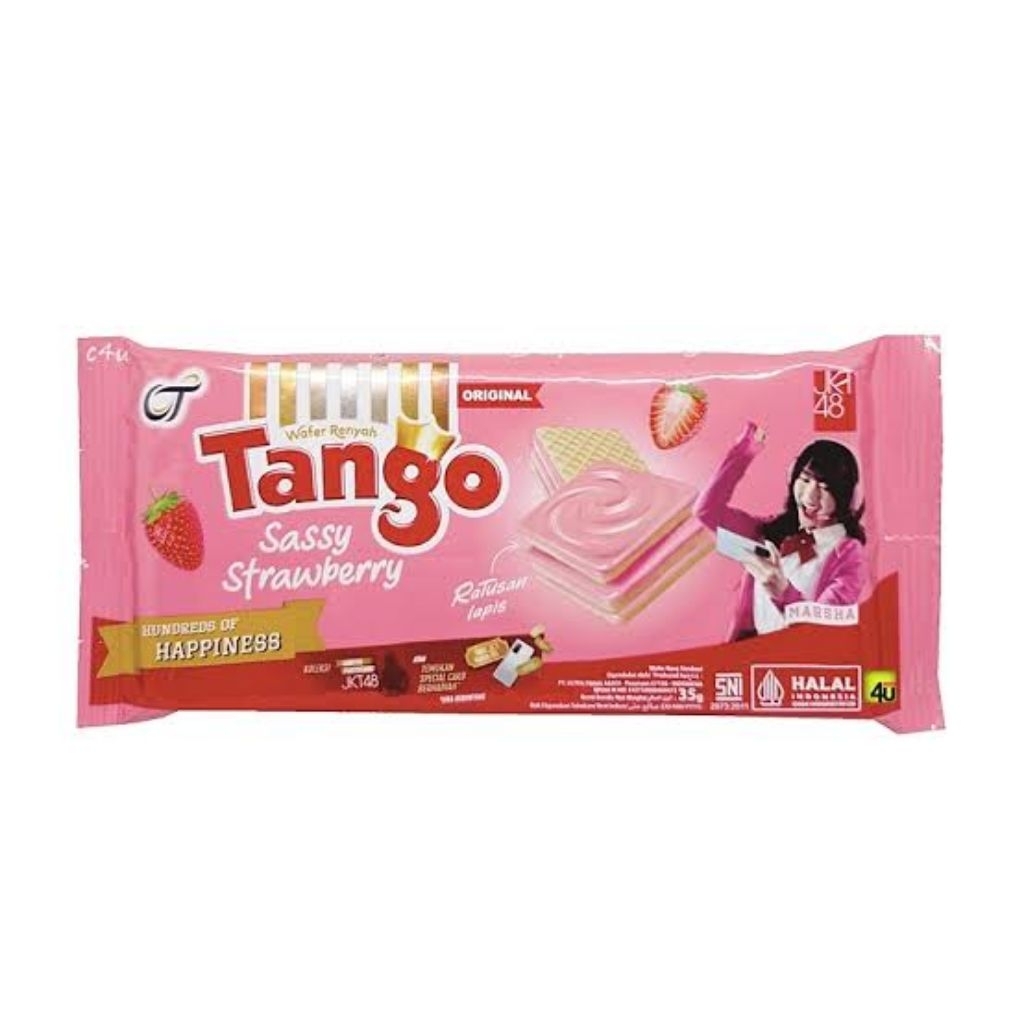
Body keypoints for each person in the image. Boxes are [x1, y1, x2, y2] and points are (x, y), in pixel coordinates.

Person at [695, 421, 867, 639]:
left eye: (825, 488)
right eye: (805, 480)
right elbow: (707, 511)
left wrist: (783, 592)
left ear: (843, 497)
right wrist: (745, 451)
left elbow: (823, 632)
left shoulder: (848, 554)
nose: (809, 497)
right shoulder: (770, 531)